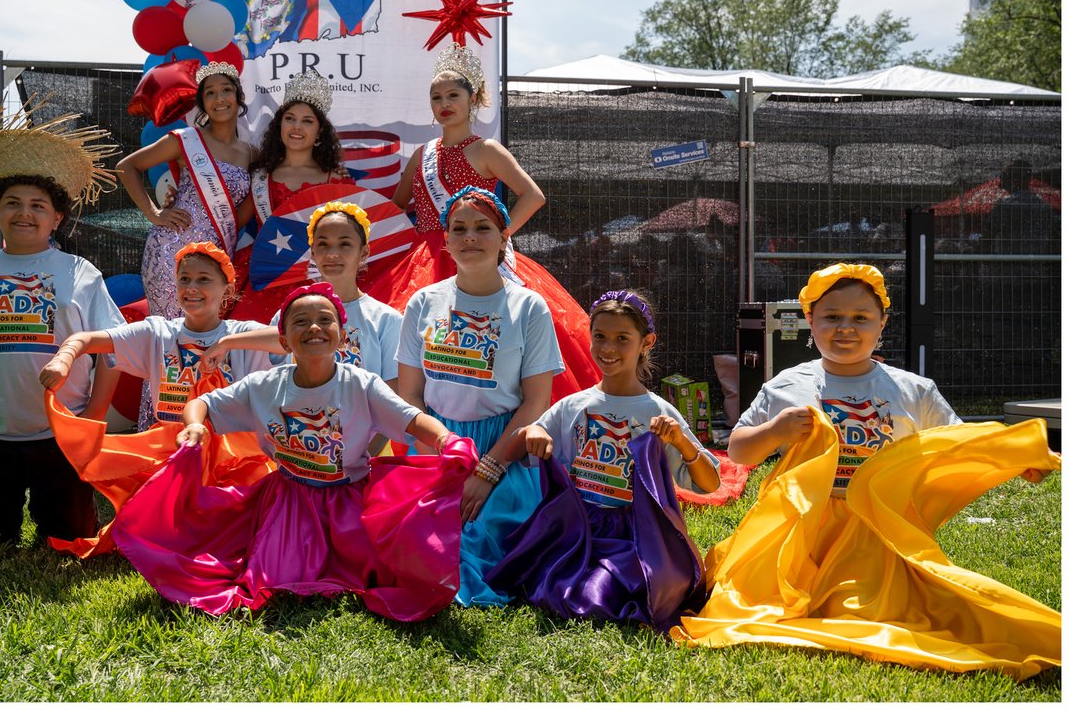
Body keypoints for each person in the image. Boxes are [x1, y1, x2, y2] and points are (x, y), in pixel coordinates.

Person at [672, 263, 1062, 680]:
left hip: (875, 533)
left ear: (882, 325)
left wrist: (1014, 461)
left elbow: (959, 445)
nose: (845, 329)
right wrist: (777, 428)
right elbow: (739, 450)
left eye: (860, 318)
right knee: (755, 599)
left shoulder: (913, 391)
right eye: (832, 317)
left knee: (868, 608)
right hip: (801, 534)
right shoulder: (787, 385)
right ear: (810, 321)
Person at [108, 283, 478, 621]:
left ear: (340, 335)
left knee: (376, 570)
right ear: (284, 341)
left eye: (324, 320)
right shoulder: (264, 386)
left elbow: (413, 420)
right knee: (274, 576)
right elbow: (202, 404)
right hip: (288, 501)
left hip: (348, 503)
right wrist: (192, 425)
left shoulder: (364, 384)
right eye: (301, 322)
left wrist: (447, 441)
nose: (313, 328)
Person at [0, 105, 126, 546]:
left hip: (60, 435)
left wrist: (92, 420)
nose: (25, 213)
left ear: (56, 217)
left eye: (38, 205)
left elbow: (111, 350)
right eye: (13, 204)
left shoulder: (80, 272)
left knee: (69, 539)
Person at [366, 43, 598, 400]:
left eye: (453, 95)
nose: (444, 103)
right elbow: (395, 210)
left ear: (471, 99)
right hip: (421, 261)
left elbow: (533, 195)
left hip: (480, 254)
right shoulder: (421, 155)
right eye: (436, 97)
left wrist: (500, 236)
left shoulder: (487, 150)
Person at [478, 290, 720, 631]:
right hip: (577, 528)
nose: (608, 349)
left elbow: (710, 484)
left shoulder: (658, 412)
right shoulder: (574, 406)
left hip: (636, 534)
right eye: (600, 337)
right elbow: (520, 447)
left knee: (623, 590)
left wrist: (681, 442)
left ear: (646, 342)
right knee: (549, 582)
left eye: (622, 339)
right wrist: (533, 434)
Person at [396, 188, 565, 605]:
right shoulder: (422, 302)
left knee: (482, 543)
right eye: (459, 229)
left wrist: (488, 470)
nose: (469, 237)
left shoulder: (530, 308)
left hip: (504, 450)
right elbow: (410, 396)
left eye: (482, 228)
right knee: (415, 544)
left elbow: (535, 402)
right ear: (447, 239)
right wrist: (440, 459)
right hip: (434, 447)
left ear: (504, 236)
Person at [203, 202, 402, 452]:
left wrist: (366, 457)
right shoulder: (290, 314)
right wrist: (226, 342)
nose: (332, 253)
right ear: (312, 252)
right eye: (323, 244)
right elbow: (280, 344)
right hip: (299, 450)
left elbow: (392, 402)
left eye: (344, 244)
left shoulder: (386, 319)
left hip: (366, 456)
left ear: (364, 252)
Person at [39, 242, 273, 431]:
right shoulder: (158, 333)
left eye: (203, 279)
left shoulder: (241, 335)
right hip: (172, 451)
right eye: (184, 279)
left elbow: (285, 340)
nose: (191, 287)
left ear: (227, 291)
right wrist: (65, 357)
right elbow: (87, 340)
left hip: (232, 460)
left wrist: (225, 343)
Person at [116, 61, 256, 318]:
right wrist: (154, 213)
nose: (219, 98)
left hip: (216, 254)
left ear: (238, 97)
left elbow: (247, 208)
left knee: (205, 332)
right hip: (170, 248)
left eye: (226, 90)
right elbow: (127, 167)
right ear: (202, 104)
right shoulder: (185, 140)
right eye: (210, 93)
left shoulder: (250, 153)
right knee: (170, 331)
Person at [228, 69, 349, 323]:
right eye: (290, 118)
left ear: (319, 134)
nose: (296, 126)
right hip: (266, 276)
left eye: (307, 121)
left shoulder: (336, 180)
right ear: (279, 126)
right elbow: (230, 226)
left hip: (318, 279)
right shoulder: (261, 177)